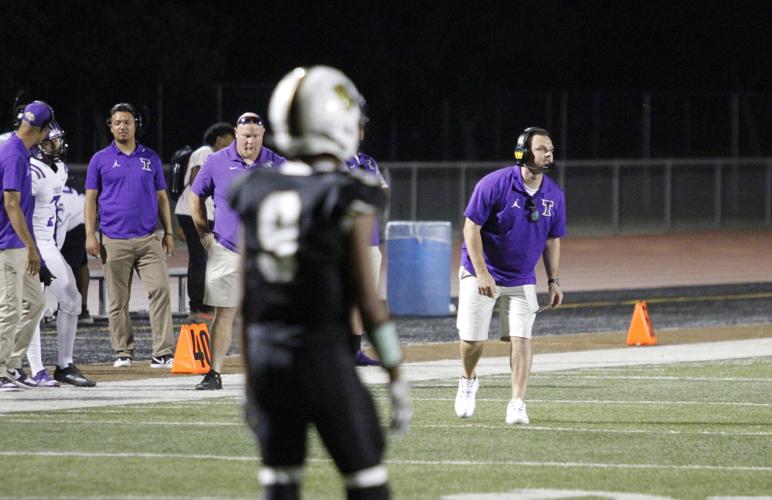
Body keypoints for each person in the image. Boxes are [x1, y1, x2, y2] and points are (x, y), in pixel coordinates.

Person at [232, 65, 411, 500]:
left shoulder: (255, 188)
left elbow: (247, 297)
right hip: (321, 357)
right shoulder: (347, 190)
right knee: (367, 482)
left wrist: (250, 379)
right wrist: (395, 372)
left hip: (268, 356)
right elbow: (368, 303)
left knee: (280, 484)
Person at [454, 126, 566, 425]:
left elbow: (553, 238)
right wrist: (481, 273)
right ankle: (468, 379)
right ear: (524, 152)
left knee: (522, 338)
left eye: (550, 148)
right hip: (482, 272)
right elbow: (470, 228)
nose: (549, 153)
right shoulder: (494, 184)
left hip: (521, 277)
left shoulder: (554, 194)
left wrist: (553, 280)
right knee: (473, 340)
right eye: (542, 148)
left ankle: (517, 402)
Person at [189, 112, 284, 390]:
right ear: (236, 134)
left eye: (255, 136)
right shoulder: (217, 161)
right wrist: (203, 232)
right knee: (225, 314)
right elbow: (196, 195)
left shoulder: (277, 163)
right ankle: (214, 372)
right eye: (245, 136)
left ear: (263, 135)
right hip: (227, 249)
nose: (250, 141)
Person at [84, 102, 175, 369]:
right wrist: (91, 234)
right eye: (117, 122)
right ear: (110, 127)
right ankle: (123, 351)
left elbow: (162, 197)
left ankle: (163, 352)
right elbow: (90, 199)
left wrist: (168, 232)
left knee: (160, 290)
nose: (122, 126)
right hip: (113, 239)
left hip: (148, 239)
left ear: (136, 124)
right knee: (117, 300)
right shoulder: (99, 159)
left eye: (127, 121)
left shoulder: (151, 158)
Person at [25, 120, 96, 387]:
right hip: (35, 243)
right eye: (51, 141)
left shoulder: (60, 169)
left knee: (70, 300)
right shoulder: (32, 170)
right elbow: (21, 212)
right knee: (34, 306)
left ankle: (63, 365)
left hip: (50, 243)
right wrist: (34, 252)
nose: (58, 145)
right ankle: (37, 369)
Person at [0, 101, 51, 391]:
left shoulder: (17, 148)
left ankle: (13, 365)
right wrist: (31, 248)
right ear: (42, 131)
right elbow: (11, 203)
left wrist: (34, 252)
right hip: (8, 243)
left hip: (19, 242)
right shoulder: (14, 154)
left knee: (35, 302)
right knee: (9, 309)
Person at [174, 122, 234, 322]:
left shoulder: (215, 156)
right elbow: (196, 182)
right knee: (200, 259)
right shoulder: (205, 152)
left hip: (203, 214)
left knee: (208, 259)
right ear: (219, 139)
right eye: (230, 138)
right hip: (193, 213)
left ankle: (204, 304)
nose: (233, 142)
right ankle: (198, 306)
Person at [345, 116, 390, 366]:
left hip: (370, 241)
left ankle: (354, 350)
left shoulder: (368, 162)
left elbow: (383, 192)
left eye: (359, 128)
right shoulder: (333, 160)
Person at [58, 186, 93, 324]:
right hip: (79, 216)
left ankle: (77, 309)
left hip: (71, 220)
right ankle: (78, 308)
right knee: (77, 265)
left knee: (70, 266)